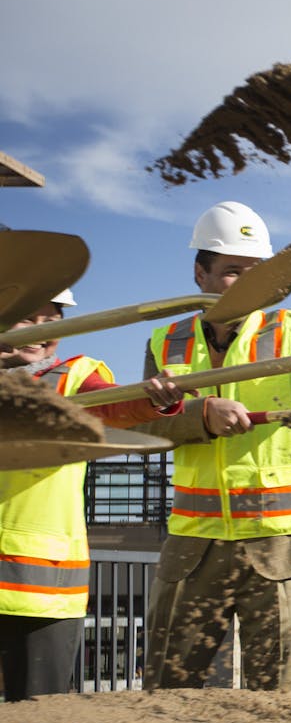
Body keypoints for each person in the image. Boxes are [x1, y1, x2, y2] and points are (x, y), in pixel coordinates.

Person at [138, 201, 291, 691]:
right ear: (200, 273)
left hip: (283, 545)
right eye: (233, 272)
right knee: (166, 691)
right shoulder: (165, 341)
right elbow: (141, 428)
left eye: (258, 273)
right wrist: (198, 416)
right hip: (196, 546)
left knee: (279, 696)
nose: (248, 285)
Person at [1, 288, 182, 699]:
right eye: (28, 319)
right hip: (39, 582)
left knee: (37, 720)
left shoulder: (70, 377)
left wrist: (154, 398)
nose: (41, 332)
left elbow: (117, 405)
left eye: (53, 321)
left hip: (42, 591)